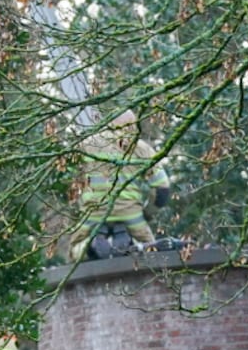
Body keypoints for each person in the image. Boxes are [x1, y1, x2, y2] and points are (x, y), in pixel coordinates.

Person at [69, 110, 171, 260]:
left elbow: (70, 180)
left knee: (74, 250)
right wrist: (147, 213)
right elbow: (162, 189)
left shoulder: (86, 145)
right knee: (151, 251)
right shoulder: (141, 148)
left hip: (94, 214)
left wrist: (80, 208)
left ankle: (90, 247)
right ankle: (130, 243)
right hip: (131, 215)